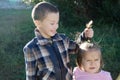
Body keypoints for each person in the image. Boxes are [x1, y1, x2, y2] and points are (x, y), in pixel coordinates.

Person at [23, 1, 94, 80]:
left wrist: (85, 36)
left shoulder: (62, 40)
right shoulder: (31, 48)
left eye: (57, 23)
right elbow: (31, 76)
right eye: (52, 23)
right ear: (38, 23)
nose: (56, 26)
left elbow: (77, 48)